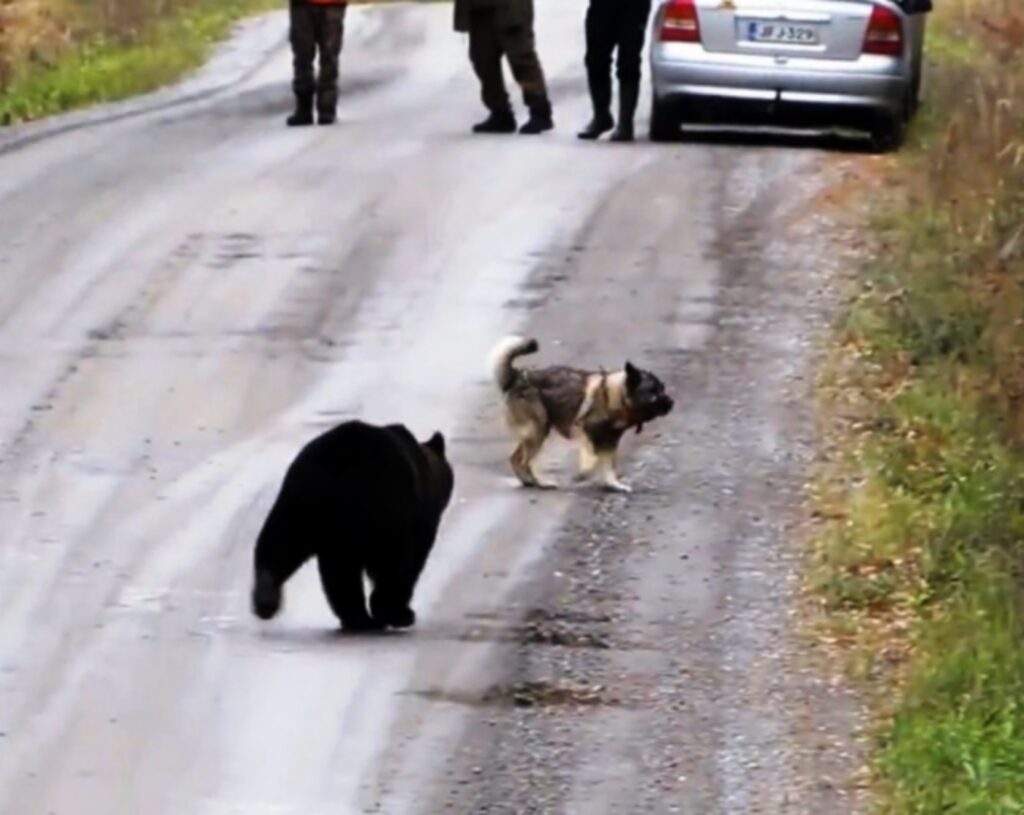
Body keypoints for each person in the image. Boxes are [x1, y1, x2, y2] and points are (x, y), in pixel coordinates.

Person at [453, 0, 554, 135]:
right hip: (478, 9)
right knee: (482, 59)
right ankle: (500, 112)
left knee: (520, 57)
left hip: (510, 7)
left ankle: (539, 110)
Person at [577, 0, 652, 142]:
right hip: (602, 6)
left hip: (634, 7)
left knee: (628, 63)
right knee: (595, 60)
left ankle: (625, 123)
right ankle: (601, 116)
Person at [287, 0, 347, 127]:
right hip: (303, 5)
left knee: (329, 55)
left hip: (332, 4)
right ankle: (305, 107)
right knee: (303, 54)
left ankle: (326, 108)